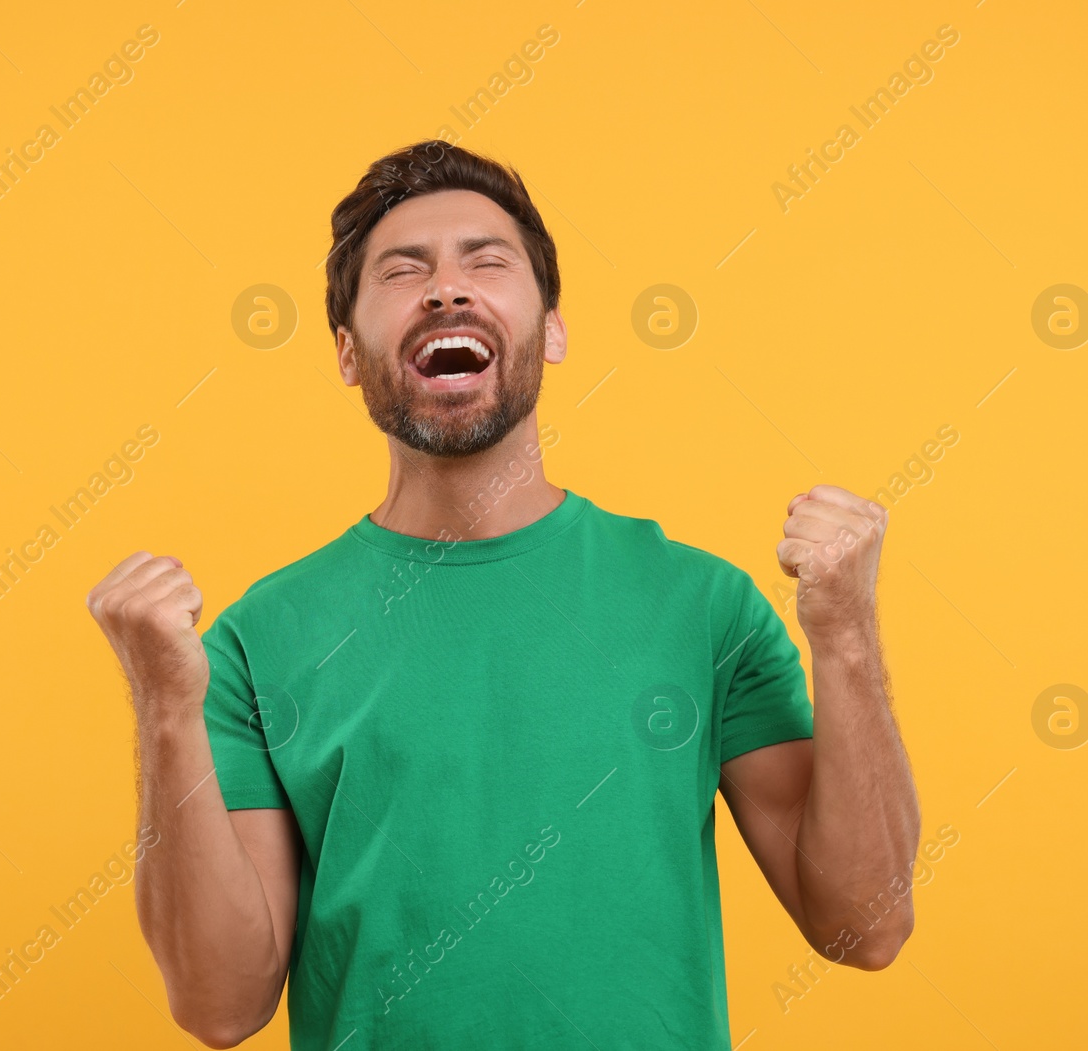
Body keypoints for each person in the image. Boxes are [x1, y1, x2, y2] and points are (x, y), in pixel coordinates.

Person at [85, 140, 919, 1050]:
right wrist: (166, 707)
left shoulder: (703, 606)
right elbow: (220, 1003)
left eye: (486, 261)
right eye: (402, 272)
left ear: (552, 330)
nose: (446, 290)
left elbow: (865, 926)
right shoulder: (258, 642)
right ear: (348, 354)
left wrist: (845, 637)